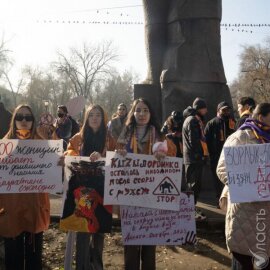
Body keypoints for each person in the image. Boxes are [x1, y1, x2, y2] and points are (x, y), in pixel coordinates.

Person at [116, 98, 176, 270]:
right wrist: (119, 154)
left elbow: (173, 158)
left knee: (149, 243)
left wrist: (165, 156)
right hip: (129, 195)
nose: (142, 114)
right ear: (132, 113)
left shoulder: (159, 135)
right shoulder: (124, 134)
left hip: (152, 197)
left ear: (151, 114)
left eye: (145, 110)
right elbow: (114, 161)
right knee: (130, 244)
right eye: (138, 110)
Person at [0, 104, 60, 270]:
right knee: (13, 257)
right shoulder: (4, 146)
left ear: (33, 121)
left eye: (28, 117)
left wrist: (60, 161)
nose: (24, 120)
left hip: (35, 208)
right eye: (20, 117)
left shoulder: (43, 144)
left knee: (34, 257)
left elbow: (57, 163)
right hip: (11, 210)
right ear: (14, 121)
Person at [217, 103, 270, 270]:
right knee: (244, 261)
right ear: (261, 117)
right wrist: (246, 185)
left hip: (266, 215)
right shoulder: (240, 137)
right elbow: (223, 168)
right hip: (245, 213)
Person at [64, 104, 113, 270]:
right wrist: (75, 156)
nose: (94, 118)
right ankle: (82, 265)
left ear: (103, 118)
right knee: (83, 231)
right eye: (91, 115)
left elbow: (118, 156)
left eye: (98, 115)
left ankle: (97, 266)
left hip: (102, 190)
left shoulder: (109, 138)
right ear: (86, 118)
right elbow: (68, 152)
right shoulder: (79, 137)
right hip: (81, 190)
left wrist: (103, 156)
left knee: (99, 231)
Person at [182, 97, 208, 220]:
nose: (206, 111)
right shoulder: (193, 120)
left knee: (193, 185)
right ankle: (189, 211)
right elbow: (194, 141)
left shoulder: (192, 119)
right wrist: (200, 155)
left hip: (192, 158)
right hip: (194, 158)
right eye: (204, 108)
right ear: (198, 109)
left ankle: (191, 209)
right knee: (193, 186)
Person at [204, 101, 235, 205]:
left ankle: (230, 199)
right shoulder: (211, 123)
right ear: (218, 110)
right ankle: (220, 201)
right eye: (224, 109)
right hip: (216, 156)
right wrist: (208, 155)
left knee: (230, 178)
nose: (226, 112)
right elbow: (206, 141)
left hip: (231, 156)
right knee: (217, 179)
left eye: (228, 109)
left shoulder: (232, 122)